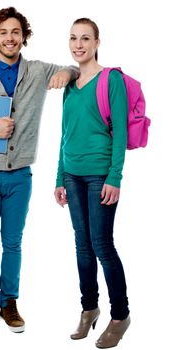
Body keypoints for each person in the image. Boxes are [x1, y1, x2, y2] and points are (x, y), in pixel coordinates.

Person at [0, 7, 78, 335]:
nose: (10, 38)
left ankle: (10, 302)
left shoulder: (36, 71)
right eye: (4, 32)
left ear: (24, 36)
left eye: (16, 32)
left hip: (20, 174)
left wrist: (67, 73)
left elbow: (71, 69)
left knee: (13, 242)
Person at [54, 18, 130, 348]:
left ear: (97, 42)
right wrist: (59, 177)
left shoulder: (111, 79)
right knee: (81, 246)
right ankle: (89, 309)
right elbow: (64, 134)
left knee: (102, 245)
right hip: (72, 174)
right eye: (73, 38)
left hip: (100, 175)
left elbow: (121, 134)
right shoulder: (69, 84)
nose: (78, 44)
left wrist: (114, 177)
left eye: (85, 38)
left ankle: (120, 316)